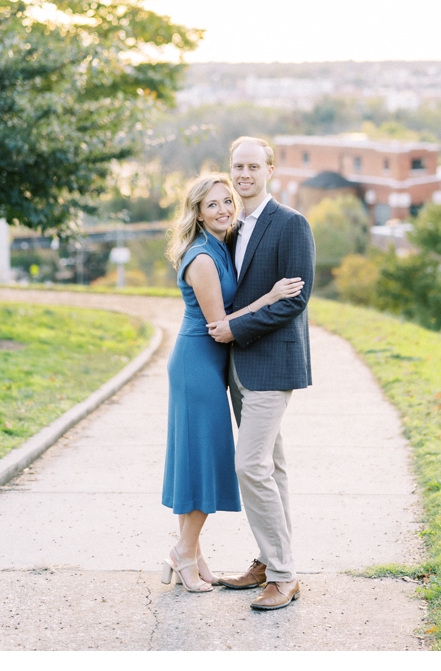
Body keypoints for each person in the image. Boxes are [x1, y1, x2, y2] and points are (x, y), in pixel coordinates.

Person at [161, 173, 303, 592]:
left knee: (197, 459)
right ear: (198, 213)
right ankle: (183, 553)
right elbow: (218, 323)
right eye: (213, 205)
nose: (224, 209)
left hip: (212, 366)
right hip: (197, 365)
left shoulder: (221, 245)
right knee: (206, 463)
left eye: (228, 201)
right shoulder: (203, 258)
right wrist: (272, 296)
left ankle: (191, 552)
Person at [206, 136, 316, 611]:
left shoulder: (291, 224)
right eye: (237, 167)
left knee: (249, 465)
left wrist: (234, 330)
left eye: (253, 166)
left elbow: (295, 299)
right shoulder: (232, 228)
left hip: (273, 364)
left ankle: (285, 576)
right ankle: (269, 561)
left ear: (270, 169)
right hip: (239, 370)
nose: (244, 174)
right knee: (271, 467)